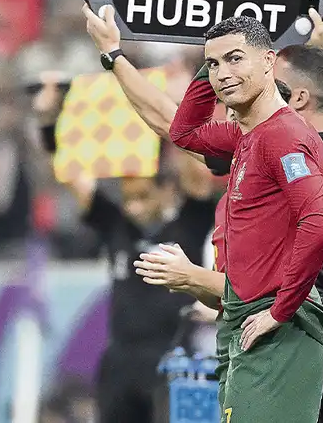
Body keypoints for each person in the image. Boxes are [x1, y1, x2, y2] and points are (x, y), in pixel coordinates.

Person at [167, 15, 323, 423]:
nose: (222, 74)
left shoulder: (281, 137)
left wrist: (280, 310)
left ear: (268, 61)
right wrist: (205, 65)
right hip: (244, 316)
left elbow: (320, 223)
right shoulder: (249, 134)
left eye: (234, 59)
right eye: (214, 64)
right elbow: (183, 133)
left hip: (278, 322)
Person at [32, 75, 217, 423]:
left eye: (143, 196)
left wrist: (177, 112)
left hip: (172, 359)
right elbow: (70, 172)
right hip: (119, 362)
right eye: (128, 198)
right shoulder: (116, 225)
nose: (133, 207)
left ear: (167, 190)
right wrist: (47, 121)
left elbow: (197, 170)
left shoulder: (190, 223)